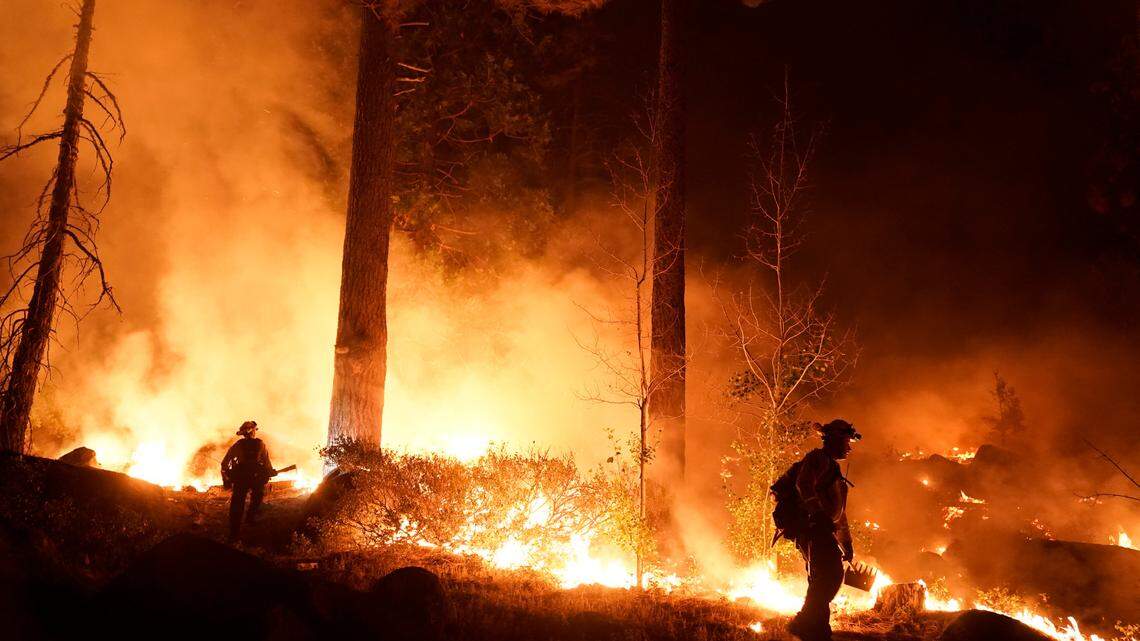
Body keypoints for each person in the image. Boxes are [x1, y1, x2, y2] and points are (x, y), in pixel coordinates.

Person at [786, 419, 861, 641]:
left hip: (824, 529)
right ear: (834, 440)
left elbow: (839, 512)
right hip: (813, 529)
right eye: (846, 441)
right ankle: (804, 622)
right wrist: (817, 514)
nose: (848, 446)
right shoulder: (816, 459)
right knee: (831, 575)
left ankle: (818, 631)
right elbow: (803, 484)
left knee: (821, 578)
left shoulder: (833, 468)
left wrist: (847, 543)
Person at [220, 420, 275, 541]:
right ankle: (250, 518)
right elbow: (266, 463)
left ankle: (234, 532)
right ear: (252, 431)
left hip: (241, 478)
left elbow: (224, 463)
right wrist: (270, 471)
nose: (255, 432)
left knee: (237, 504)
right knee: (257, 497)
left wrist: (227, 476)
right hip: (255, 478)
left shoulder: (237, 445)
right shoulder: (261, 444)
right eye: (255, 430)